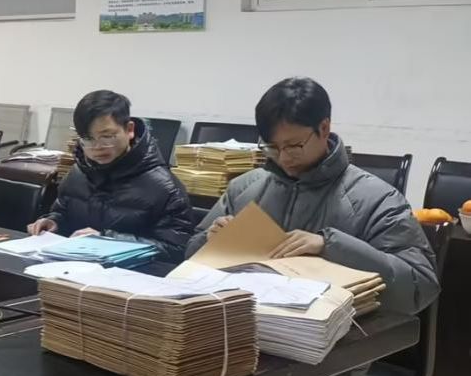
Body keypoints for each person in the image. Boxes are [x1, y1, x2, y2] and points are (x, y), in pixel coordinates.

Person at [188, 77, 439, 315]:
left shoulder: (378, 199)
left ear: (324, 128)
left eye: (294, 145)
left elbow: (419, 287)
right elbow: (189, 256)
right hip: (241, 328)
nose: (284, 158)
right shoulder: (244, 189)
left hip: (338, 338)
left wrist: (331, 246)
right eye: (272, 147)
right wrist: (210, 240)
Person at [28, 90, 195, 263]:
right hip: (70, 267)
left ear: (129, 130)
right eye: (88, 139)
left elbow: (176, 250)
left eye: (106, 137)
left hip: (127, 274)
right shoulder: (77, 173)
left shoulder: (164, 187)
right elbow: (63, 213)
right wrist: (54, 222)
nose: (97, 147)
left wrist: (107, 241)